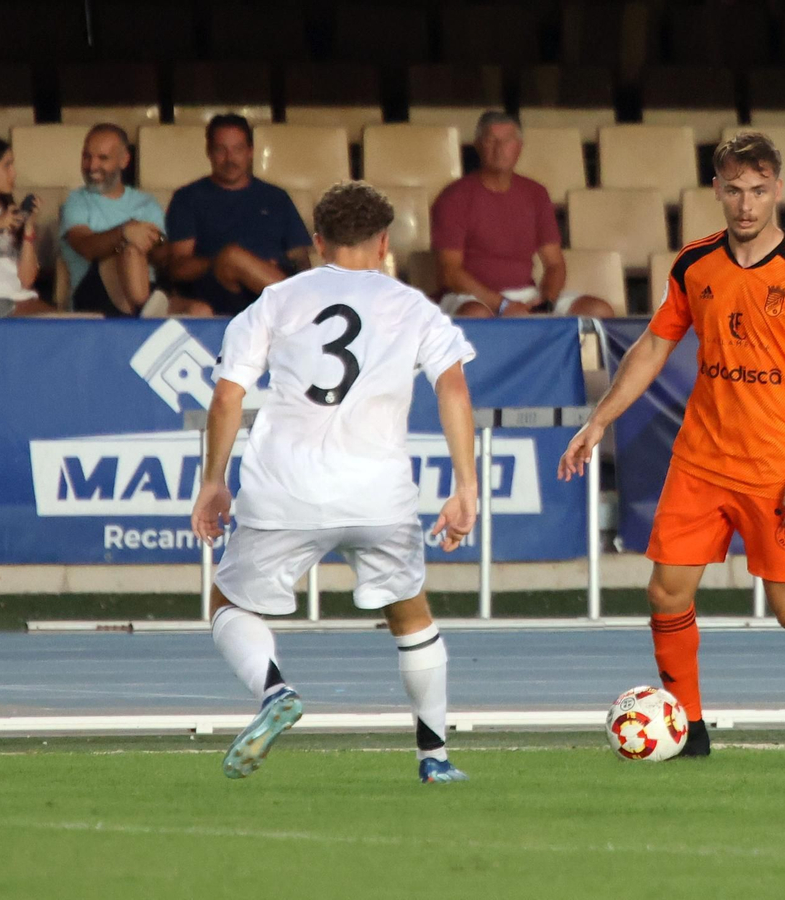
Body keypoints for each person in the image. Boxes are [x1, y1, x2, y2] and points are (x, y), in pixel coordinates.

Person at [558, 132, 785, 758]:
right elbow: (652, 346)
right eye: (734, 190)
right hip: (700, 462)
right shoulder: (694, 264)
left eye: (758, 191)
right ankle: (691, 730)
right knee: (666, 592)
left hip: (775, 470)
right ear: (717, 191)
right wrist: (599, 419)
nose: (746, 205)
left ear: (777, 190)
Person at [190, 181, 479, 784]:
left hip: (285, 486)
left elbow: (226, 397)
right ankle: (435, 759)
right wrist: (465, 486)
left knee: (227, 603)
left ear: (317, 241)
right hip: (379, 494)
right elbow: (452, 388)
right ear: (382, 243)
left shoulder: (275, 301)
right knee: (411, 615)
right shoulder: (412, 306)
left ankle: (274, 692)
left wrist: (212, 481)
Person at [431, 111, 613, 318]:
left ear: (519, 147)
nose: (499, 149)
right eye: (491, 141)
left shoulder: (536, 193)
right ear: (478, 145)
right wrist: (501, 304)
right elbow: (450, 272)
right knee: (477, 314)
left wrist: (547, 300)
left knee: (599, 310)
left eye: (507, 141)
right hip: (471, 296)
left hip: (526, 294)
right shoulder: (454, 196)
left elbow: (554, 263)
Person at [164, 114, 313, 316]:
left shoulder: (275, 197)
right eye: (220, 150)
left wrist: (260, 269)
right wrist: (225, 262)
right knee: (233, 256)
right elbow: (179, 268)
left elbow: (300, 257)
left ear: (250, 152)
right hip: (220, 291)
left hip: (271, 293)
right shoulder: (188, 198)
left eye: (238, 149)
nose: (230, 159)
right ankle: (309, 312)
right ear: (209, 152)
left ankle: (302, 308)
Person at [59, 124, 170, 317]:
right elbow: (85, 246)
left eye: (103, 158)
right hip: (92, 292)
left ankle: (144, 311)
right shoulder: (76, 201)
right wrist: (124, 234)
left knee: (199, 310)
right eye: (87, 157)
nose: (92, 166)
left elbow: (163, 257)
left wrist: (153, 242)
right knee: (127, 251)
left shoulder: (146, 203)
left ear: (124, 160)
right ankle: (144, 313)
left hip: (146, 286)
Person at [0, 137, 53, 317]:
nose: (13, 173)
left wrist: (28, 228)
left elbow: (26, 280)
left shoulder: (8, 211)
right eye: (7, 166)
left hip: (16, 296)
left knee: (65, 325)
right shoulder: (4, 219)